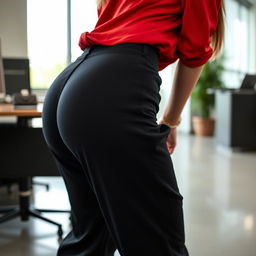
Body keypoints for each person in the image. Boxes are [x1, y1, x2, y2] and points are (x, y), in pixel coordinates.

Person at [42, 0, 225, 255]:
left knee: (90, 239)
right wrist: (171, 119)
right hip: (112, 89)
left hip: (70, 86)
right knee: (160, 246)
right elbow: (195, 51)